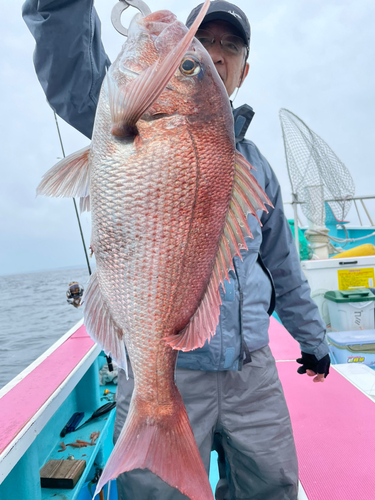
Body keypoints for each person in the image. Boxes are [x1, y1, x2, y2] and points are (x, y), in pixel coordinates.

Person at [23, 1, 331, 498]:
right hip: (165, 364)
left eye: (230, 46)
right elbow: (70, 68)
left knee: (273, 485)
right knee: (156, 492)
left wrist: (313, 341)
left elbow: (284, 267)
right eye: (200, 45)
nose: (216, 52)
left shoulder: (257, 168)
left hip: (251, 373)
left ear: (242, 71)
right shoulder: (122, 111)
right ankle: (152, 411)